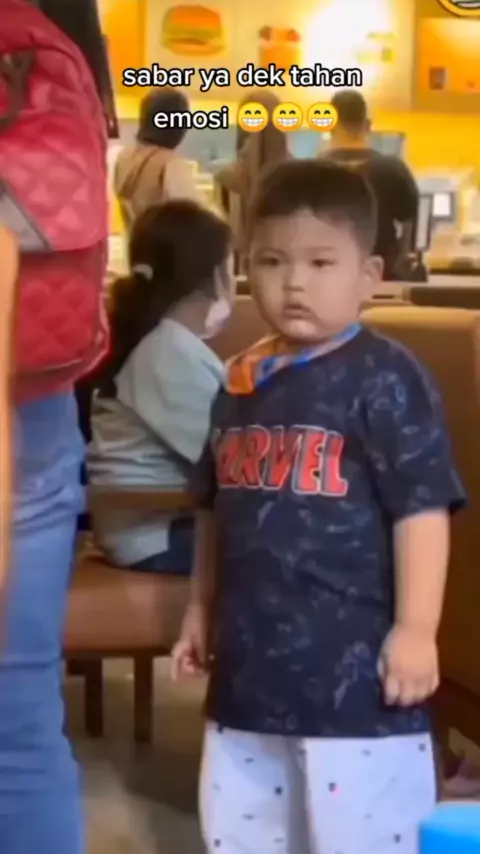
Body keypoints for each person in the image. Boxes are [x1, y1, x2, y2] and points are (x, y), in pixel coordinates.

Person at [172, 159, 466, 853]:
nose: (294, 282)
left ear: (370, 275)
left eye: (321, 262)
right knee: (245, 834)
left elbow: (421, 509)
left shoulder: (387, 379)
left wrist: (417, 629)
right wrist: (198, 607)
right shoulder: (239, 381)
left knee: (363, 837)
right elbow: (212, 508)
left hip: (357, 681)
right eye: (271, 261)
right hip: (249, 678)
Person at [87, 200, 233, 572]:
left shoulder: (162, 343)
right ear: (212, 276)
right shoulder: (165, 353)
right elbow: (228, 457)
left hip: (158, 524)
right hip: (156, 534)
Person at [325, 90, 419, 281]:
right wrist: (400, 260)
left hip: (330, 278)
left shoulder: (313, 172)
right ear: (367, 125)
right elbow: (412, 222)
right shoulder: (394, 169)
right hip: (384, 279)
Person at [114, 88, 203, 233]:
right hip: (166, 245)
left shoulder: (123, 157)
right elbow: (198, 219)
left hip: (135, 243)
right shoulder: (169, 164)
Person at [215, 89, 288, 266]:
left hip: (239, 269)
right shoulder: (298, 175)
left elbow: (222, 236)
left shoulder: (226, 178)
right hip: (286, 266)